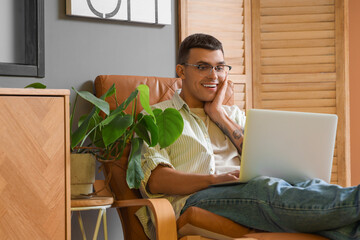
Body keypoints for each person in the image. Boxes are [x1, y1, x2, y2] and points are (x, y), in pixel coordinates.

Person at [135, 33, 360, 240]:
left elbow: (264, 159)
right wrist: (214, 180)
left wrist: (220, 116)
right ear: (181, 71)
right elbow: (155, 179)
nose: (213, 76)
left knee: (308, 185)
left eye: (220, 67)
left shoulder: (233, 115)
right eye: (203, 67)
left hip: (250, 191)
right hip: (196, 198)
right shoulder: (156, 116)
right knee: (264, 189)